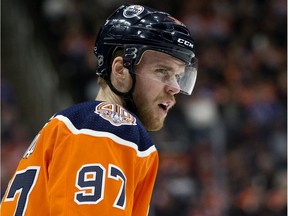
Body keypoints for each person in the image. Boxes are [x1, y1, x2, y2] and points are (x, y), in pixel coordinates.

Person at [1, 4, 197, 216]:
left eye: (178, 76)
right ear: (120, 70)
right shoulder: (110, 127)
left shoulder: (73, 123)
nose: (175, 87)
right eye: (162, 71)